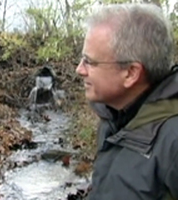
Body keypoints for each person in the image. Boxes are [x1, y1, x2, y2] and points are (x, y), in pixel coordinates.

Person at [76, 3, 178, 200]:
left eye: (90, 61)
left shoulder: (173, 141)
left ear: (131, 73)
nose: (79, 70)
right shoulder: (113, 118)